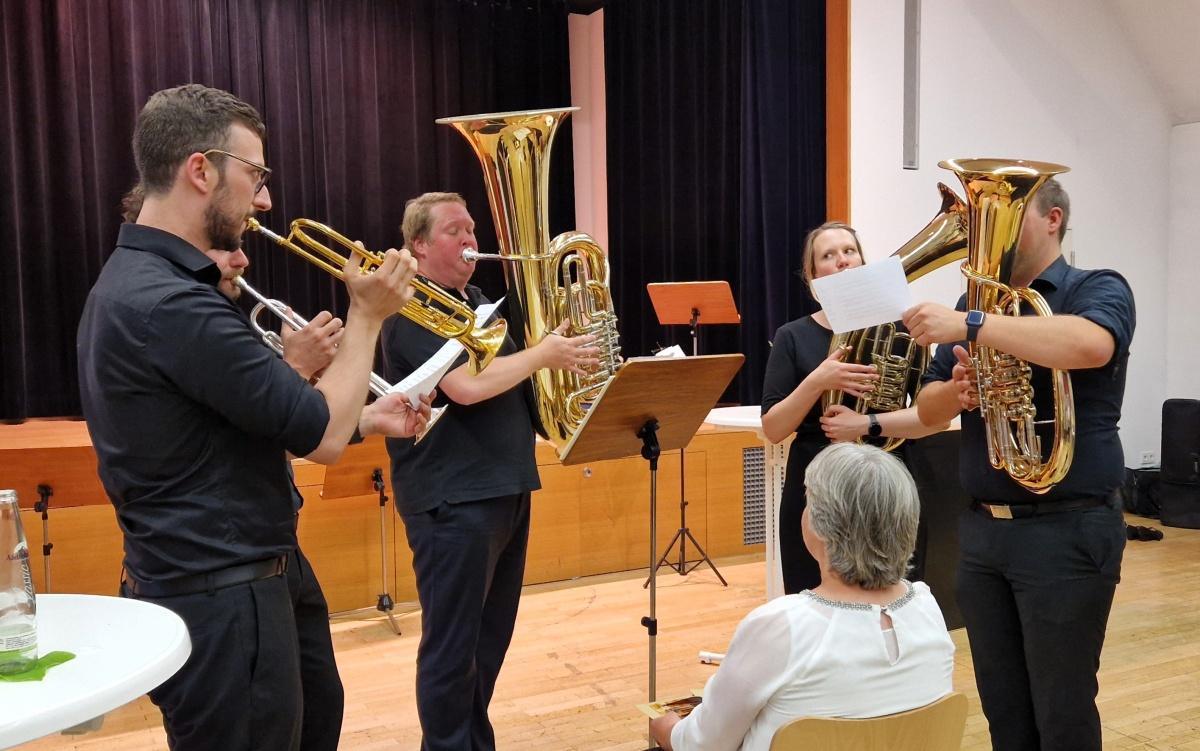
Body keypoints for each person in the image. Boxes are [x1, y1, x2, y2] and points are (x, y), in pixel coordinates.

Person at [78, 84, 425, 751]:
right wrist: (367, 315)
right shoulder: (171, 304)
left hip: (246, 576)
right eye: (256, 175)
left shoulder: (144, 285)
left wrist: (361, 408)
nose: (264, 198)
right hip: (223, 596)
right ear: (201, 170)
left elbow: (263, 418)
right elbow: (321, 434)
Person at [904, 177, 1134, 751]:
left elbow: (1093, 344)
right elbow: (928, 409)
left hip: (1068, 530)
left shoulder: (1096, 286)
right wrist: (957, 390)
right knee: (1003, 707)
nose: (990, 234)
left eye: (1009, 217)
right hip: (983, 534)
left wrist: (976, 326)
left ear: (1053, 219)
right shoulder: (974, 304)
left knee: (1063, 708)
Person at [381, 191, 599, 751]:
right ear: (420, 246)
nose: (471, 239)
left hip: (507, 485)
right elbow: (467, 387)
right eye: (455, 230)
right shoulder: (410, 306)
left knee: (488, 641)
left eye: (472, 228)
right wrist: (544, 354)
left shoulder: (480, 302)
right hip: (451, 498)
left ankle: (473, 741)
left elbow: (521, 384)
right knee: (452, 647)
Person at [648, 442, 955, 751]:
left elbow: (702, 744)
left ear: (821, 525)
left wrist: (669, 729)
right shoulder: (926, 607)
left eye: (809, 501)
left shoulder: (781, 625)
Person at [760, 222, 943, 594]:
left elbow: (931, 420)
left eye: (849, 251)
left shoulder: (904, 329)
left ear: (863, 261)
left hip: (887, 482)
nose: (842, 260)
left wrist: (864, 424)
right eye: (828, 256)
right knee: (812, 598)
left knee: (893, 596)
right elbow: (774, 428)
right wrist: (817, 381)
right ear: (813, 278)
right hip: (815, 485)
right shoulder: (792, 336)